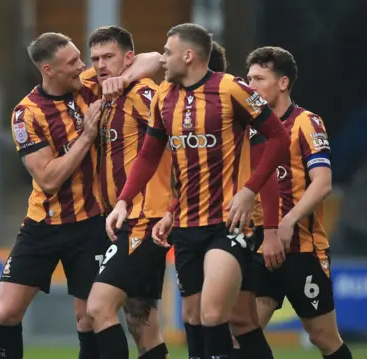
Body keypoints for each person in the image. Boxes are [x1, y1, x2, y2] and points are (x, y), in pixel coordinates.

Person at [106, 23, 290, 359]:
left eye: (167, 52)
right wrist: (123, 201)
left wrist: (249, 191)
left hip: (227, 225)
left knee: (214, 314)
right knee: (194, 317)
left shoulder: (231, 90)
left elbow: (278, 138)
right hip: (186, 227)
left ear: (188, 55)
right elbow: (148, 155)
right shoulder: (164, 96)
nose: (162, 59)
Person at [0, 32, 106, 359]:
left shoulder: (87, 85)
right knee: (7, 312)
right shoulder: (26, 114)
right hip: (44, 223)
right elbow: (48, 178)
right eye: (72, 62)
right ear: (48, 70)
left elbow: (150, 59)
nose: (82, 66)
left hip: (90, 223)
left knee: (89, 317)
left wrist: (122, 77)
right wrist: (86, 137)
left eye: (78, 58)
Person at [246, 46, 353, 359]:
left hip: (301, 248)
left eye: (258, 79)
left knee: (323, 337)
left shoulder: (306, 123)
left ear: (282, 83)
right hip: (259, 246)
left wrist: (289, 221)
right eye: (248, 78)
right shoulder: (247, 128)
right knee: (244, 331)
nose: (249, 86)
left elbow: (322, 183)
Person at [79, 26, 170, 359]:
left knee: (98, 307)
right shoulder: (102, 91)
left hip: (144, 218)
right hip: (120, 220)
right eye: (96, 59)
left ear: (128, 58)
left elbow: (173, 142)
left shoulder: (144, 94)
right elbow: (153, 58)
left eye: (109, 57)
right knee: (141, 323)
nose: (101, 65)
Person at [207, 40, 280, 359]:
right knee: (239, 320)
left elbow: (268, 173)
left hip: (248, 230)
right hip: (212, 224)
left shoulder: (236, 114)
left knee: (213, 317)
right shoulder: (181, 109)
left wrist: (274, 229)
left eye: (257, 79)